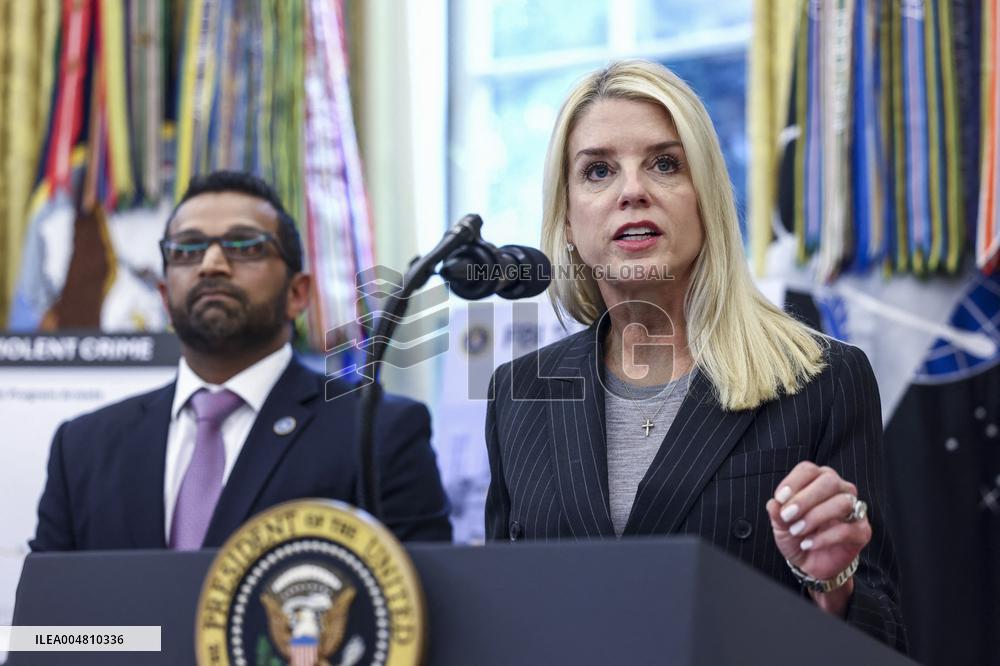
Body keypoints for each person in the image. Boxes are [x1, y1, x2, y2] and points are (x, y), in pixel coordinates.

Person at [484, 60, 905, 650]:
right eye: (598, 170)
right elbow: (503, 621)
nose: (633, 191)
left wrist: (831, 582)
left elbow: (886, 638)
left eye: (665, 164)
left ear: (705, 198)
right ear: (568, 219)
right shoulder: (518, 391)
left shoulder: (822, 379)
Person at [31, 170, 451, 551]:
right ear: (163, 295)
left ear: (298, 294)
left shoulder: (378, 433)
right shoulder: (84, 449)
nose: (212, 264)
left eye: (245, 246)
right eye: (188, 249)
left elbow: (418, 612)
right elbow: (53, 627)